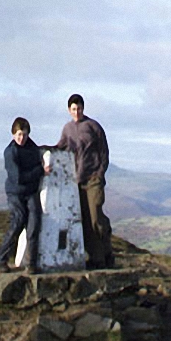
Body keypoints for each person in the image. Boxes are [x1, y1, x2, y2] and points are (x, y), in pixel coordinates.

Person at [56, 94, 114, 269]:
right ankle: (96, 259)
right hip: (77, 181)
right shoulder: (67, 129)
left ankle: (107, 253)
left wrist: (100, 172)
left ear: (83, 108)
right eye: (73, 109)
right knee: (86, 221)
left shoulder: (93, 126)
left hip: (93, 179)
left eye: (79, 108)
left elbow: (104, 151)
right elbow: (60, 147)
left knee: (96, 216)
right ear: (69, 110)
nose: (77, 112)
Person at [0, 117, 48, 274]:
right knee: (18, 222)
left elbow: (41, 153)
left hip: (31, 192)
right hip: (16, 193)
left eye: (24, 134)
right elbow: (18, 178)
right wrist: (40, 171)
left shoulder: (32, 148)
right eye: (19, 134)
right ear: (13, 134)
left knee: (34, 224)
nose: (21, 138)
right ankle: (1, 260)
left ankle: (32, 264)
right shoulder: (10, 152)